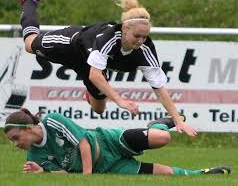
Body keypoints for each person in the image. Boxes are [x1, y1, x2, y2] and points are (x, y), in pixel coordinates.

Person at [16, 0, 197, 137]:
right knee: (30, 44)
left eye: (145, 36)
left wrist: (178, 120)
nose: (141, 40)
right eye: (137, 36)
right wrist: (119, 100)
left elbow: (159, 88)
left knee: (99, 109)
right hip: (72, 47)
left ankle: (91, 92)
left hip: (92, 66)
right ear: (124, 29)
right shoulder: (109, 38)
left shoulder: (145, 50)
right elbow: (96, 75)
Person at [4, 109, 230, 175]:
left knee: (164, 137)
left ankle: (160, 123)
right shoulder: (34, 157)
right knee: (167, 175)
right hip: (109, 167)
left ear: (28, 128)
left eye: (16, 138)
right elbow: (63, 175)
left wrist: (87, 177)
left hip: (109, 142)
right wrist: (42, 173)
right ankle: (204, 174)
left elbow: (83, 142)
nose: (16, 144)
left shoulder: (52, 121)